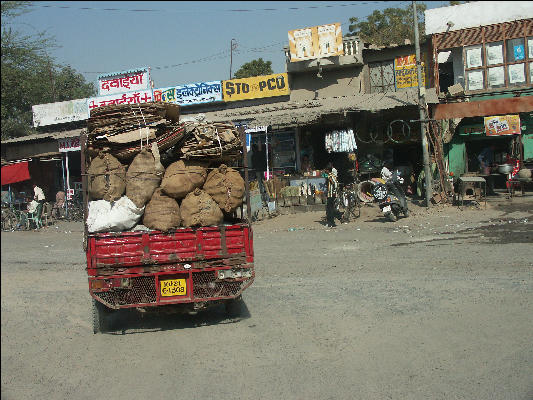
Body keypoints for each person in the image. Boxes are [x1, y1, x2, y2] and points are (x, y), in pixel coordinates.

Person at [325, 162, 343, 228]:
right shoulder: (331, 175)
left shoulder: (330, 176)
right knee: (330, 208)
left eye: (326, 170)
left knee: (330, 209)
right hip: (330, 194)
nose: (325, 171)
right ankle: (337, 218)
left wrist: (334, 191)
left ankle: (333, 221)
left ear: (328, 170)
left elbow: (335, 184)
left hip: (331, 194)